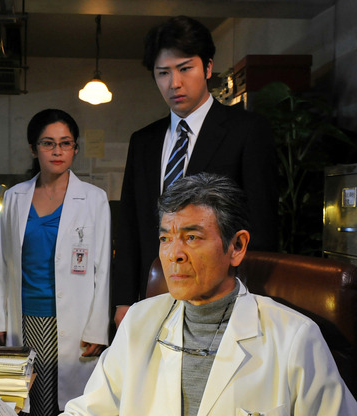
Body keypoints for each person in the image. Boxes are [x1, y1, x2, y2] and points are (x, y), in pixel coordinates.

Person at [22, 173, 357, 416]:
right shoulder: (140, 322)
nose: (173, 254)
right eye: (166, 238)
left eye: (192, 237)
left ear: (236, 247)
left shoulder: (293, 338)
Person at [113, 15, 279, 327]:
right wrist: (124, 300)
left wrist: (251, 301)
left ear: (207, 67)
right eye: (163, 73)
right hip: (154, 297)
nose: (174, 83)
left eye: (185, 68)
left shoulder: (247, 130)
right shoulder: (144, 141)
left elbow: (262, 224)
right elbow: (130, 225)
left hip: (221, 298)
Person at [0, 109, 111, 416]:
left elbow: (102, 269)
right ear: (34, 149)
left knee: (67, 409)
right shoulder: (15, 197)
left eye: (65, 143)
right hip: (25, 317)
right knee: (27, 407)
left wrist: (98, 327)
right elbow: (4, 265)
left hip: (73, 320)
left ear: (75, 148)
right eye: (48, 143)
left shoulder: (94, 199)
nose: (57, 151)